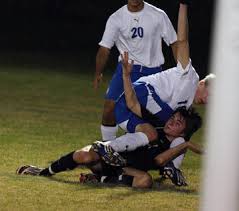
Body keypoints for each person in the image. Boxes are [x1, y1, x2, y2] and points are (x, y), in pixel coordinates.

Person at [93, 0, 215, 163]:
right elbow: (182, 41)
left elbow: (174, 42)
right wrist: (183, 6)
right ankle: (109, 148)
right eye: (210, 95)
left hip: (142, 89)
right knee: (113, 110)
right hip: (134, 80)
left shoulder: (186, 107)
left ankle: (116, 153)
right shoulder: (189, 74)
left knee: (160, 130)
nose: (207, 101)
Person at [16, 108, 202, 189]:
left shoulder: (175, 147)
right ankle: (42, 172)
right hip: (109, 155)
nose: (171, 122)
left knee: (145, 181)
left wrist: (185, 145)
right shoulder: (153, 128)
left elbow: (159, 161)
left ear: (183, 133)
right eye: (173, 118)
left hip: (124, 168)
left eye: (178, 123)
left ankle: (100, 179)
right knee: (83, 156)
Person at [94, 0, 178, 141]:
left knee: (150, 116)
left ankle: (149, 151)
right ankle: (107, 148)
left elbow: (174, 42)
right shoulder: (117, 18)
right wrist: (98, 72)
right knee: (109, 109)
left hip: (152, 72)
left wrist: (182, 70)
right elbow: (104, 48)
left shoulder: (158, 15)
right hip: (126, 69)